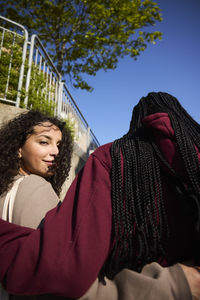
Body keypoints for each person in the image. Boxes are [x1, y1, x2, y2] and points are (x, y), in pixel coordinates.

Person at [0, 92, 200, 299]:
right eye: (44, 142)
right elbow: (58, 269)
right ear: (17, 149)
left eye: (59, 145)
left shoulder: (115, 159)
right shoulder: (35, 186)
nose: (56, 152)